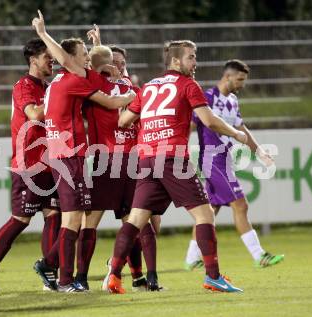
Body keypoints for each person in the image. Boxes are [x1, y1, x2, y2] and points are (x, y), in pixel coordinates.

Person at [106, 40, 247, 294]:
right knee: (205, 216)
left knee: (136, 219)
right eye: (191, 57)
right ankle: (213, 276)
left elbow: (124, 121)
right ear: (175, 61)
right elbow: (209, 120)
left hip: (147, 159)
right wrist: (236, 133)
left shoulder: (147, 87)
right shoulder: (187, 85)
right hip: (172, 158)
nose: (195, 63)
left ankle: (114, 276)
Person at [31, 11, 136, 293]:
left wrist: (98, 48)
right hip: (68, 156)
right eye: (84, 55)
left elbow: (93, 68)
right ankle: (64, 279)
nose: (87, 59)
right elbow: (112, 102)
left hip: (64, 155)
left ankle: (60, 272)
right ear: (72, 59)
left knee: (75, 217)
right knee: (74, 218)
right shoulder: (73, 80)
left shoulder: (60, 82)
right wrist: (131, 97)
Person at [67, 25, 159, 291]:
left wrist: (99, 50)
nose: (117, 66)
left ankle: (136, 277)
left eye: (121, 63)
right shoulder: (99, 87)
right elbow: (98, 65)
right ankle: (87, 277)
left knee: (131, 222)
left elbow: (100, 63)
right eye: (113, 62)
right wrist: (98, 49)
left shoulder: (119, 85)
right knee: (105, 221)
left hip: (123, 161)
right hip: (110, 160)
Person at [0, 39, 61, 291]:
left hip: (51, 162)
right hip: (28, 163)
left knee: (54, 217)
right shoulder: (23, 86)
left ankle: (50, 274)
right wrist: (59, 97)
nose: (52, 60)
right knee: (21, 219)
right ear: (33, 59)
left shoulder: (48, 86)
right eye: (48, 56)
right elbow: (34, 114)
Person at [184, 60, 284, 271]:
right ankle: (259, 255)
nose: (242, 83)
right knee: (241, 205)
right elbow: (191, 125)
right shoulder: (207, 97)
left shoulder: (232, 100)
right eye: (239, 79)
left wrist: (259, 152)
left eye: (244, 80)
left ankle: (191, 258)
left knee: (210, 211)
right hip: (213, 159)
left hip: (224, 159)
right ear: (227, 76)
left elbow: (241, 128)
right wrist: (181, 151)